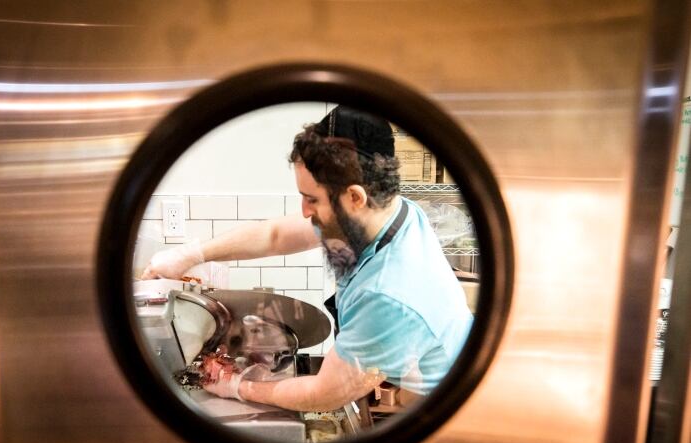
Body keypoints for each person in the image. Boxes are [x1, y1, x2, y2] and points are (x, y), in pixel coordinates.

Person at [142, 106, 473, 412]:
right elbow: (275, 236)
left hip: (446, 410)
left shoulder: (386, 293)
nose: (303, 212)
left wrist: (238, 386)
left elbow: (324, 394)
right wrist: (186, 255)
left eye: (311, 199)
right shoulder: (385, 212)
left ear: (355, 197)